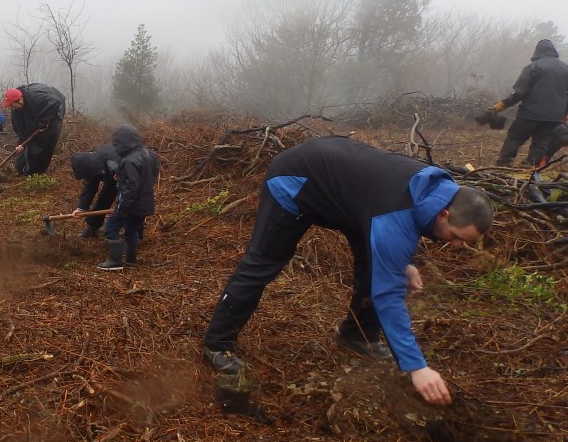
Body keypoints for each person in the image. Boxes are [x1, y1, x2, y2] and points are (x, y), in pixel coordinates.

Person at [201, 136, 494, 407]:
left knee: (373, 267)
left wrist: (400, 263)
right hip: (297, 179)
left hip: (349, 197)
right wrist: (417, 367)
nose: (454, 245)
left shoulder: (436, 192)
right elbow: (388, 294)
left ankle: (358, 336)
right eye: (457, 236)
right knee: (261, 264)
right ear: (445, 213)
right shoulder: (397, 215)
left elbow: (387, 217)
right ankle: (217, 343)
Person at [486, 39, 568, 167]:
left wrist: (502, 105)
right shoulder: (566, 69)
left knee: (515, 137)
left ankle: (504, 164)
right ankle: (530, 167)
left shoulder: (533, 67)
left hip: (530, 113)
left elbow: (519, 92)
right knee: (541, 143)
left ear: (537, 51)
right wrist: (564, 113)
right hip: (553, 117)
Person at [96, 126, 160, 270]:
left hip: (131, 204)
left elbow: (129, 188)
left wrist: (121, 209)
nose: (116, 147)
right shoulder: (149, 153)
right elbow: (152, 173)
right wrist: (121, 177)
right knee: (131, 230)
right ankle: (131, 261)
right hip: (145, 203)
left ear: (124, 142)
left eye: (117, 143)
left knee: (110, 229)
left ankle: (115, 261)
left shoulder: (128, 160)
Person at [1, 83, 66, 175]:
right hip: (37, 109)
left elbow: (55, 102)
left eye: (13, 105)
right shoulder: (16, 109)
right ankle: (26, 170)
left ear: (20, 100)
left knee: (45, 139)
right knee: (32, 133)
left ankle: (39, 171)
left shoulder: (36, 98)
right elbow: (23, 129)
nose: (12, 108)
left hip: (55, 105)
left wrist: (44, 121)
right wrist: (21, 144)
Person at [69, 143, 121, 239]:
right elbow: (90, 186)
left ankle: (134, 232)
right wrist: (81, 207)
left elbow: (130, 184)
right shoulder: (89, 164)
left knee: (127, 204)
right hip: (111, 178)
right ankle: (93, 226)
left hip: (129, 176)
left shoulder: (112, 159)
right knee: (105, 198)